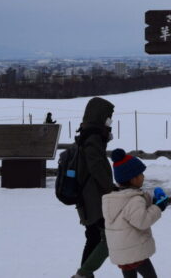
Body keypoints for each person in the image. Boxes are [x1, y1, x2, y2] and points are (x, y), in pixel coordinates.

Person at [102, 149, 169, 278]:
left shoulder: (114, 198)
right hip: (135, 251)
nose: (143, 176)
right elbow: (142, 221)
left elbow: (136, 212)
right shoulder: (134, 199)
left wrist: (153, 203)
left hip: (122, 250)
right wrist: (158, 207)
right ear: (133, 179)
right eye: (141, 174)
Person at [72, 97, 115, 278]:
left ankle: (84, 274)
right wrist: (111, 190)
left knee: (94, 236)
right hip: (94, 198)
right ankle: (83, 274)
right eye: (108, 116)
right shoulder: (93, 137)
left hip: (89, 196)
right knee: (107, 238)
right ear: (100, 115)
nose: (110, 120)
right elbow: (96, 166)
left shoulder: (87, 133)